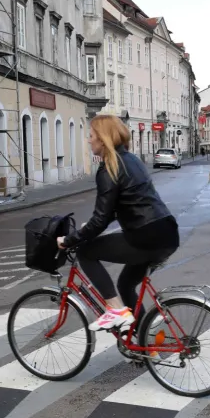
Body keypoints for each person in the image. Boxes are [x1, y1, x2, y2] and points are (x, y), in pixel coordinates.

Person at [57, 115, 179, 332]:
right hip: (167, 232)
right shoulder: (132, 160)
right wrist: (90, 227)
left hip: (145, 236)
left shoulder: (109, 168)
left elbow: (101, 219)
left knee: (85, 252)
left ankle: (114, 310)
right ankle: (142, 343)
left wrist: (69, 240)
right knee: (125, 284)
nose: (89, 140)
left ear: (103, 139)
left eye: (92, 135)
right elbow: (123, 205)